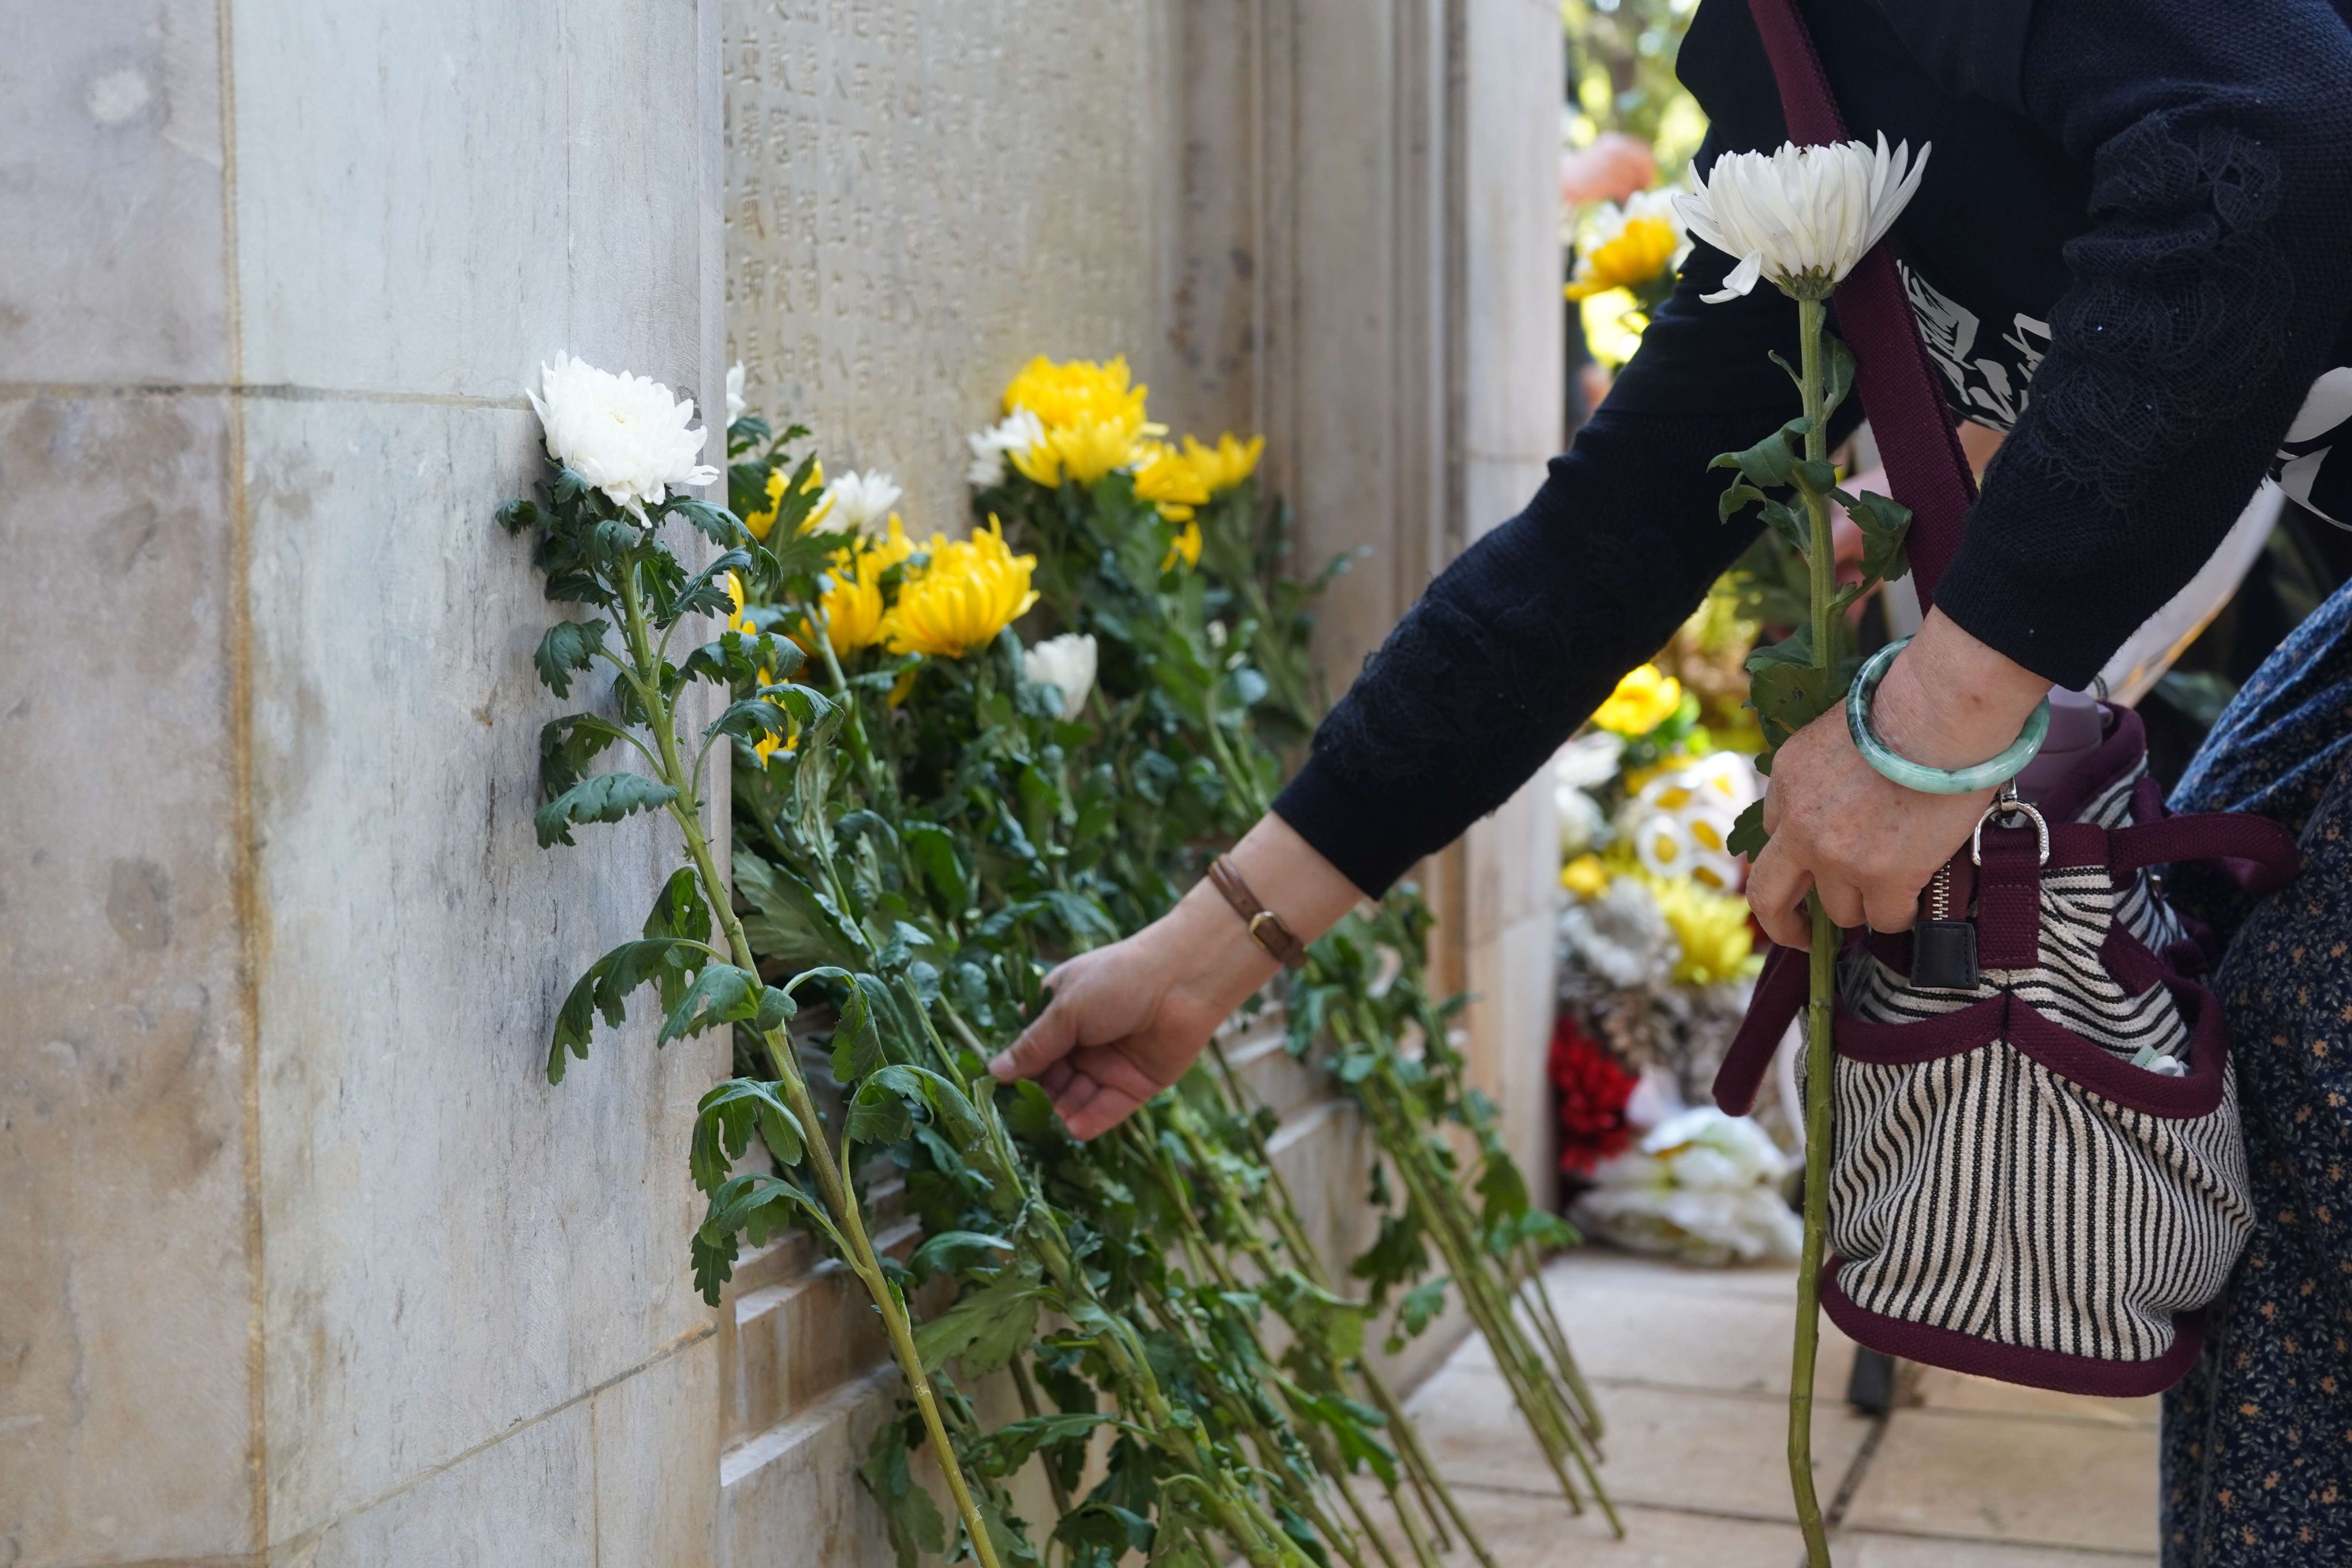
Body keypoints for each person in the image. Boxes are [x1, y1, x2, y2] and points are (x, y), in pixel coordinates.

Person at [992, 2, 2352, 1560]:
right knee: (2253, 982)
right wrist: (1205, 953)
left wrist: (1943, 709)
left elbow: (2285, 140)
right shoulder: (1780, 64)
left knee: (2314, 1055)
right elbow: (1604, 545)